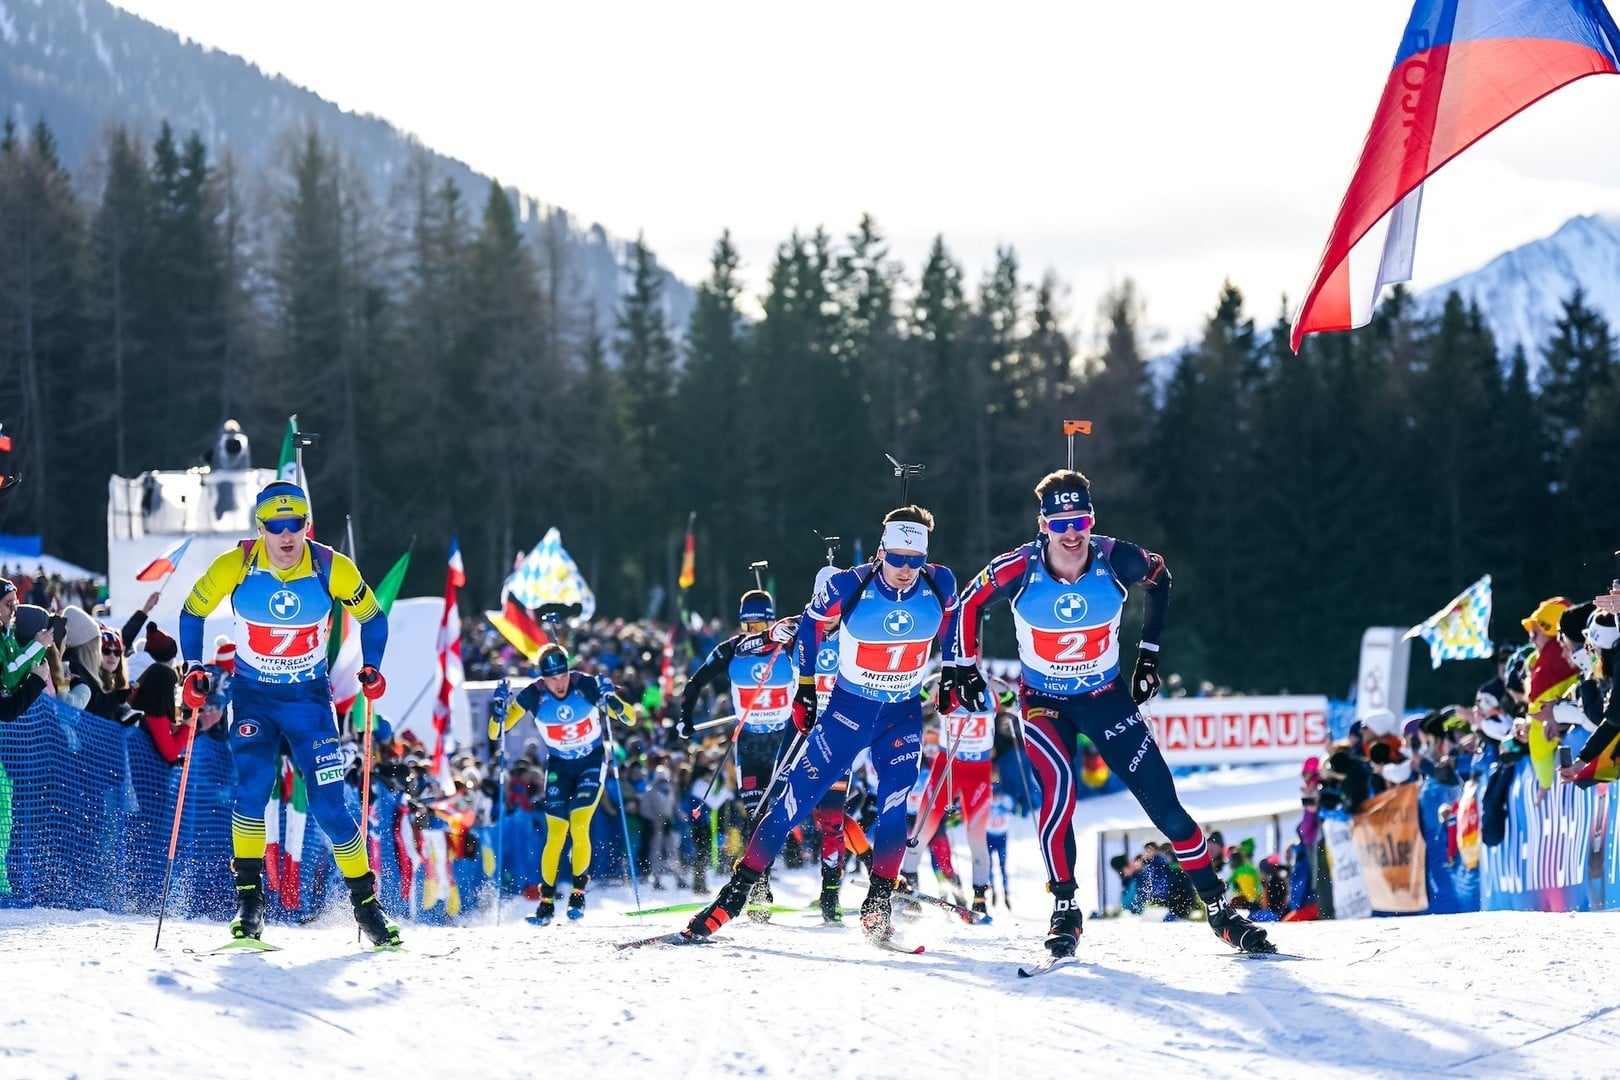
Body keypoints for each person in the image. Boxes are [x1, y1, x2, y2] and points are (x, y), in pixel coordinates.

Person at [952, 469, 1274, 956]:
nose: (1071, 532)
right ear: (1043, 525)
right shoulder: (1018, 567)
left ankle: (1217, 909)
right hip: (1045, 703)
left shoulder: (1116, 557)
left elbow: (1161, 578)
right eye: (1060, 522)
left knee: (1166, 807)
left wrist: (1148, 652)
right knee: (1058, 794)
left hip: (1105, 697)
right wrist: (964, 667)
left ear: (1091, 518)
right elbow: (968, 601)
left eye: (1079, 519)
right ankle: (1065, 908)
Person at [683, 505, 960, 945]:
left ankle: (878, 904)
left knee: (893, 808)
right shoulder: (848, 585)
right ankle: (733, 897)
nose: (906, 569)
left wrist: (956, 670)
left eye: (915, 560)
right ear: (881, 550)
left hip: (901, 715)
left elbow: (952, 619)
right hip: (846, 715)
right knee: (792, 803)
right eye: (897, 558)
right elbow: (809, 626)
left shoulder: (938, 581)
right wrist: (806, 689)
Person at [178, 480, 398, 946]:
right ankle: (250, 905)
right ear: (260, 528)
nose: (285, 536)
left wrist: (372, 666)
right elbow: (192, 612)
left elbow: (373, 617)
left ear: (305, 526)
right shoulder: (234, 565)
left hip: (309, 702)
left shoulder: (329, 567)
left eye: (293, 525)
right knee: (253, 789)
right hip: (254, 696)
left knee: (330, 807)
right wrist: (193, 668)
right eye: (274, 526)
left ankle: (366, 907)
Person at [674, 589, 797, 919]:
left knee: (784, 814)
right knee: (755, 816)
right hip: (751, 744)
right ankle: (760, 886)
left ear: (772, 621)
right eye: (749, 625)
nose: (755, 631)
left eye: (762, 625)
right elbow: (695, 682)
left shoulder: (789, 643)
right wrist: (685, 719)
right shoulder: (731, 650)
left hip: (784, 742)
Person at [489, 642, 631, 924]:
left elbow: (628, 717)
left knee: (579, 825)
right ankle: (546, 903)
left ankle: (578, 893)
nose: (559, 683)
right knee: (555, 833)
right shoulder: (534, 695)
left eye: (563, 674)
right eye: (552, 677)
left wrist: (611, 699)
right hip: (559, 766)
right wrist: (497, 710)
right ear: (543, 676)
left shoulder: (585, 685)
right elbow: (497, 732)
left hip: (591, 761)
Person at [900, 674, 998, 917]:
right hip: (946, 769)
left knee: (976, 839)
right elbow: (915, 700)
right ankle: (907, 890)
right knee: (920, 834)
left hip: (978, 772)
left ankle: (979, 900)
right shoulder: (943, 682)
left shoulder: (992, 685)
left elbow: (1017, 705)